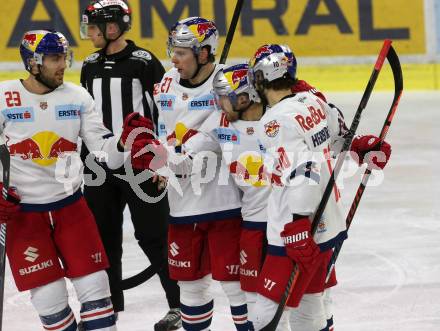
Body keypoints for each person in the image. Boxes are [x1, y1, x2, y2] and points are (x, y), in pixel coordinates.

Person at [0, 29, 151, 331]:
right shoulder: (4, 97)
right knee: (52, 306)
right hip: (24, 218)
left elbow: (106, 152)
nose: (63, 65)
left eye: (64, 57)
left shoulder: (77, 97)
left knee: (99, 298)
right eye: (55, 58)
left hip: (72, 210)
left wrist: (124, 143)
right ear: (33, 62)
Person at [246, 44, 392, 330]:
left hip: (296, 231)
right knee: (311, 305)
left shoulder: (275, 121)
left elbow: (305, 170)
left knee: (267, 314)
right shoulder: (312, 101)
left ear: (261, 78)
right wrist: (362, 148)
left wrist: (298, 224)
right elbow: (339, 141)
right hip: (328, 224)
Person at [80, 1, 181, 329]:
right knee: (102, 237)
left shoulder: (144, 63)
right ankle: (108, 311)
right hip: (99, 167)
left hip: (141, 166)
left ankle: (179, 305)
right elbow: (87, 119)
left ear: (112, 28)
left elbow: (167, 113)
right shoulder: (89, 64)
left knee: (154, 235)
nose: (90, 32)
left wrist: (163, 161)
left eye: (94, 26)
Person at [148, 17, 249, 331]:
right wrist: (162, 164)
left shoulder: (230, 82)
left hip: (225, 202)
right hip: (182, 204)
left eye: (181, 52)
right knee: (189, 287)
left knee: (236, 286)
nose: (174, 59)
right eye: (173, 51)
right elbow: (163, 133)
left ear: (204, 54)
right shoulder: (164, 84)